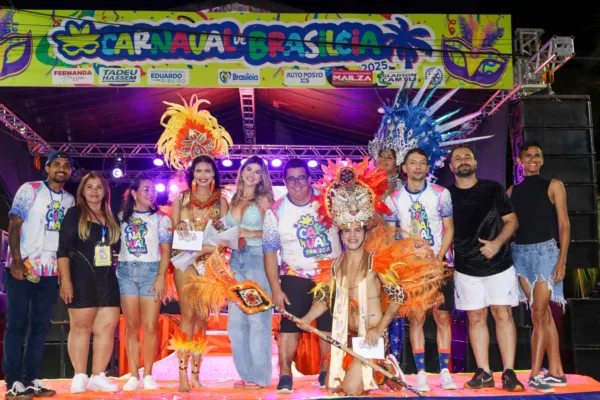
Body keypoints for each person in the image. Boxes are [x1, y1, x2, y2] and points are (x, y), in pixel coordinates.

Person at [296, 158, 449, 396]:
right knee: (333, 389)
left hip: (371, 338)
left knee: (350, 389)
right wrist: (306, 318)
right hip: (343, 338)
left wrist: (379, 330)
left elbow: (397, 297)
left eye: (358, 229)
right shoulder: (333, 266)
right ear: (341, 234)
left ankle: (382, 364)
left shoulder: (378, 262)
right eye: (347, 231)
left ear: (365, 231)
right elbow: (323, 299)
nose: (353, 235)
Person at [447, 145, 524, 392]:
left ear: (475, 162)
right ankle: (484, 372)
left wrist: (497, 243)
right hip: (465, 268)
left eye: (467, 156)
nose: (462, 161)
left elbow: (512, 221)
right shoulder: (445, 196)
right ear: (451, 167)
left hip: (499, 264)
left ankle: (509, 372)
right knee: (476, 318)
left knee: (503, 315)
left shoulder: (493, 189)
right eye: (457, 158)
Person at [263, 158, 342, 393]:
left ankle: (326, 370)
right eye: (291, 178)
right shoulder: (275, 212)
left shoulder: (329, 199)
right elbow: (269, 253)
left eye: (301, 177)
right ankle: (285, 374)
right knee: (290, 326)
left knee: (328, 325)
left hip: (329, 274)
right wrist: (276, 289)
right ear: (284, 181)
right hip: (294, 274)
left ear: (309, 179)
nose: (296, 183)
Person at [384, 148, 457, 391]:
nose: (417, 167)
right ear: (403, 168)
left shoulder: (441, 194)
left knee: (443, 318)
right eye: (412, 163)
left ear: (428, 168)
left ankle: (445, 371)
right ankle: (421, 373)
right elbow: (391, 236)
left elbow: (449, 228)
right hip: (411, 270)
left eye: (422, 163)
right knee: (416, 319)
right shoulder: (393, 200)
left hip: (439, 266)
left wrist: (438, 257)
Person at [4, 151, 74, 399]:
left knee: (41, 327)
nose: (61, 168)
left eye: (66, 165)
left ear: (70, 171)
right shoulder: (30, 189)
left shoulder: (69, 200)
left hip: (49, 273)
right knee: (17, 325)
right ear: (46, 168)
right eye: (56, 164)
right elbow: (14, 224)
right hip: (23, 268)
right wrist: (16, 261)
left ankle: (30, 379)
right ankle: (13, 382)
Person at [508, 142, 569, 392]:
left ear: (542, 160)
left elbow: (564, 224)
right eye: (528, 155)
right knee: (541, 315)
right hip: (520, 255)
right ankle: (556, 372)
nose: (532, 159)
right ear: (519, 160)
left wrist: (562, 259)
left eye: (537, 156)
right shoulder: (511, 192)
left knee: (539, 312)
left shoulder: (554, 185)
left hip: (546, 253)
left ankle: (534, 374)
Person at [57, 172, 121, 393]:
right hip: (80, 275)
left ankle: (98, 376)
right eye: (89, 187)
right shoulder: (75, 214)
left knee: (106, 326)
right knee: (81, 327)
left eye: (98, 187)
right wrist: (66, 281)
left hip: (107, 277)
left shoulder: (112, 217)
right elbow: (63, 250)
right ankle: (79, 375)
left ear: (105, 191)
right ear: (82, 191)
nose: (94, 191)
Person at [171, 155, 229, 391]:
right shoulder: (182, 199)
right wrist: (180, 226)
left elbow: (225, 237)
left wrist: (213, 248)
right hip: (185, 261)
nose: (203, 175)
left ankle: (196, 374)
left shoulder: (221, 202)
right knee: (188, 316)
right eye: (199, 171)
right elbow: (175, 228)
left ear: (214, 175)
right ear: (192, 175)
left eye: (207, 171)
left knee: (203, 318)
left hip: (210, 263)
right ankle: (182, 374)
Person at [117, 178, 173, 391]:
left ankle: (148, 374)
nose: (151, 193)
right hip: (126, 273)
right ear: (133, 193)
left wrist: (161, 276)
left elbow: (166, 252)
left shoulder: (162, 219)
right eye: (146, 189)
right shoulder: (122, 218)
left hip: (152, 272)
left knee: (150, 326)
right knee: (131, 327)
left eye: (153, 190)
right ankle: (133, 374)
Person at [224, 156, 275, 389]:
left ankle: (260, 376)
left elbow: (275, 235)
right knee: (236, 324)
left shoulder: (264, 200)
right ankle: (245, 374)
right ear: (242, 171)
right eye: (248, 169)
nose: (252, 174)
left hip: (257, 262)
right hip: (235, 263)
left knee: (257, 321)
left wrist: (249, 233)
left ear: (263, 176)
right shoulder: (232, 198)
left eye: (257, 171)